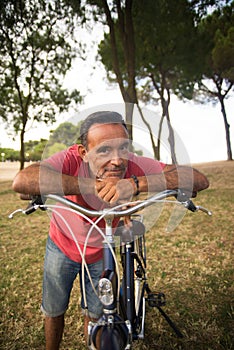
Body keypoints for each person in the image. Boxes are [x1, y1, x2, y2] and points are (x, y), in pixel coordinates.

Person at [12, 111, 209, 349]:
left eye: (123, 148)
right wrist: (93, 186)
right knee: (54, 310)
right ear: (84, 153)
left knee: (97, 313)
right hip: (62, 245)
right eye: (104, 150)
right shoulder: (70, 159)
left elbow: (198, 179)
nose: (117, 160)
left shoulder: (132, 164)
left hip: (100, 250)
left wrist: (135, 183)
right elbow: (23, 181)